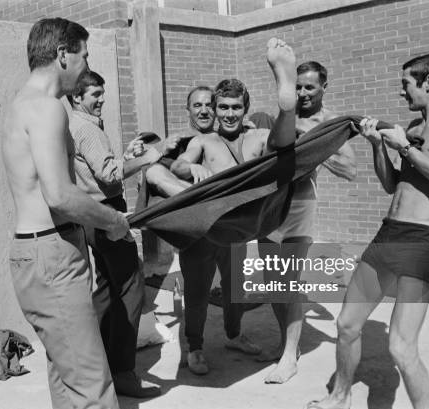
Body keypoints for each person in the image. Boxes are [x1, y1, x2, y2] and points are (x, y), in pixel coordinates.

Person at [306, 53, 429, 409]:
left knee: (400, 346)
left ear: (428, 82)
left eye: (406, 84)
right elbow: (392, 184)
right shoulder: (413, 129)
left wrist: (402, 146)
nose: (402, 93)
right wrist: (377, 146)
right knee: (348, 324)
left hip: (419, 242)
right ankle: (340, 396)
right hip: (387, 235)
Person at [2, 18, 128, 409]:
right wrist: (114, 222)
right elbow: (59, 195)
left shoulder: (20, 105)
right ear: (62, 55)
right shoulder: (46, 109)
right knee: (93, 388)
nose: (86, 67)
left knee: (66, 375)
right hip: (52, 255)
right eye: (83, 56)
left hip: (38, 253)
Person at [170, 38, 299, 375]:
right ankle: (195, 348)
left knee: (234, 290)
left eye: (235, 108)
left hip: (239, 227)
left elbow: (281, 146)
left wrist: (286, 111)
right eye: (223, 107)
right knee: (197, 293)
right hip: (203, 230)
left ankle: (233, 334)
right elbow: (178, 166)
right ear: (215, 109)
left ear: (245, 109)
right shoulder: (203, 141)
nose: (229, 114)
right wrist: (192, 167)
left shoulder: (256, 138)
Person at [253, 61, 357, 385]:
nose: (302, 93)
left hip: (300, 207)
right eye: (297, 86)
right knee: (274, 283)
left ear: (324, 87)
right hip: (271, 205)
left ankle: (289, 358)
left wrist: (314, 147)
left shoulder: (331, 122)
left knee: (290, 281)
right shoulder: (287, 113)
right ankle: (287, 345)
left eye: (309, 87)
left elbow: (350, 169)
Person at [68, 71, 162, 398]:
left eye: (102, 93)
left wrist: (126, 157)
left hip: (91, 217)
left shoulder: (78, 125)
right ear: (77, 97)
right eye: (95, 93)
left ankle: (90, 357)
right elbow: (108, 176)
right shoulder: (87, 129)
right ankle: (121, 370)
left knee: (108, 286)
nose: (102, 99)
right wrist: (150, 158)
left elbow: (99, 169)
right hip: (106, 214)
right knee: (132, 286)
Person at [145, 85, 216, 197]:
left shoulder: (223, 140)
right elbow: (147, 176)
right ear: (188, 111)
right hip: (186, 199)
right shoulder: (174, 142)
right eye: (197, 105)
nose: (204, 111)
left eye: (209, 106)